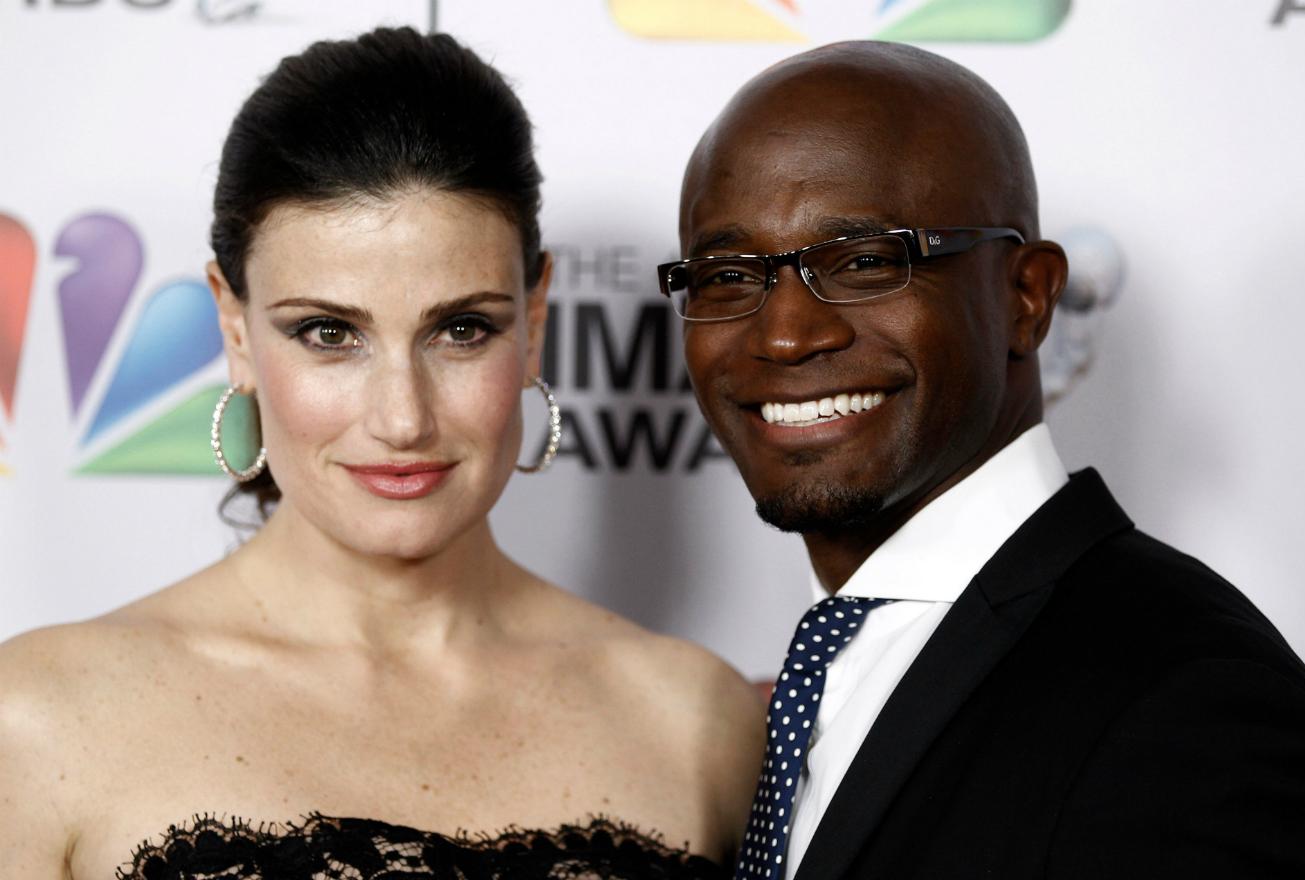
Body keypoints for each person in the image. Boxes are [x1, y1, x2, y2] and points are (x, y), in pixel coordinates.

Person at [0, 27, 763, 880]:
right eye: (329, 334)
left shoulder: (697, 723)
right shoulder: (39, 721)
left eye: (461, 329)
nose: (403, 418)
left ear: (536, 317)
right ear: (234, 328)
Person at [662, 40, 1305, 879]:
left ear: (1026, 298)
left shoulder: (1188, 705)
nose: (784, 334)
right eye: (726, 275)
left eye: (863, 263)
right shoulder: (806, 681)